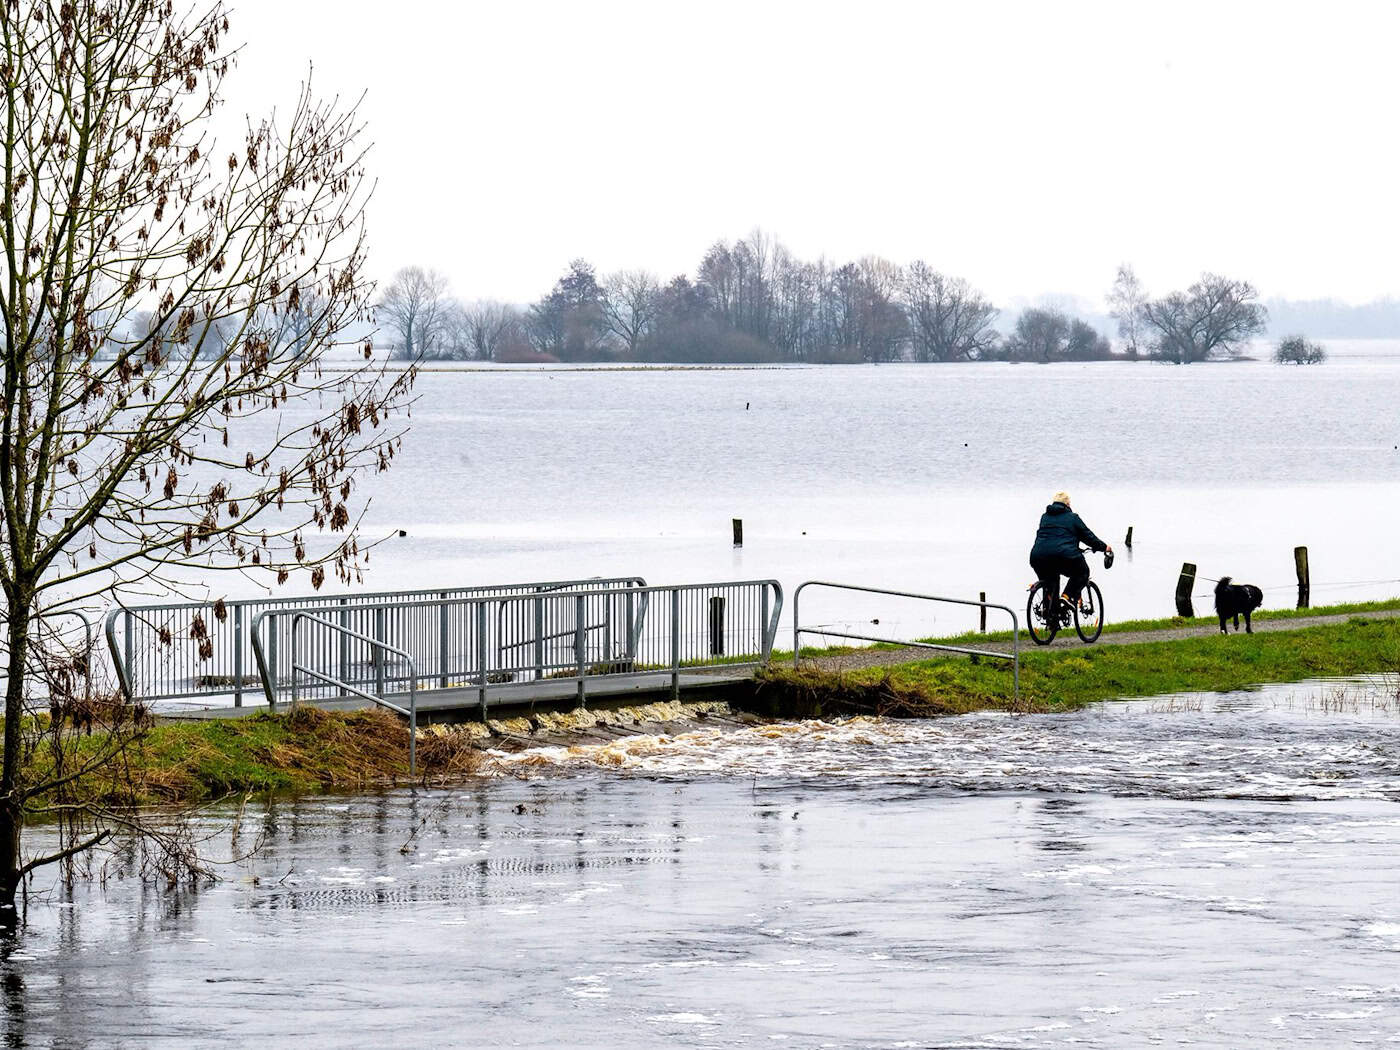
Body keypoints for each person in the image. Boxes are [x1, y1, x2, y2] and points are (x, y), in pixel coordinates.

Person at [1029, 491, 1112, 619]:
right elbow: (1088, 536)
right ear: (1067, 504)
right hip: (1064, 556)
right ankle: (1067, 597)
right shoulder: (1072, 518)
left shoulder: (1044, 517)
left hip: (1038, 557)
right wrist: (1104, 547)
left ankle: (1051, 616)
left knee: (1051, 583)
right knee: (1082, 572)